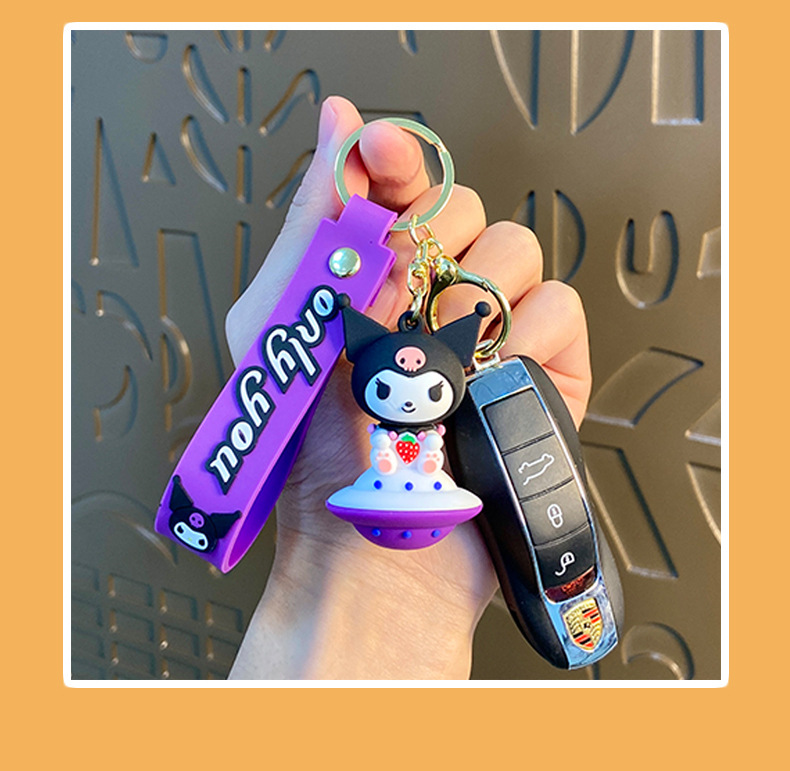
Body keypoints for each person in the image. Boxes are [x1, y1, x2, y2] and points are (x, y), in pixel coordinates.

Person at [226, 96, 591, 680]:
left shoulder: (434, 423)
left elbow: (428, 447)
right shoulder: (349, 385)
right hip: (379, 487)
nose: (410, 392)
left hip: (432, 485)